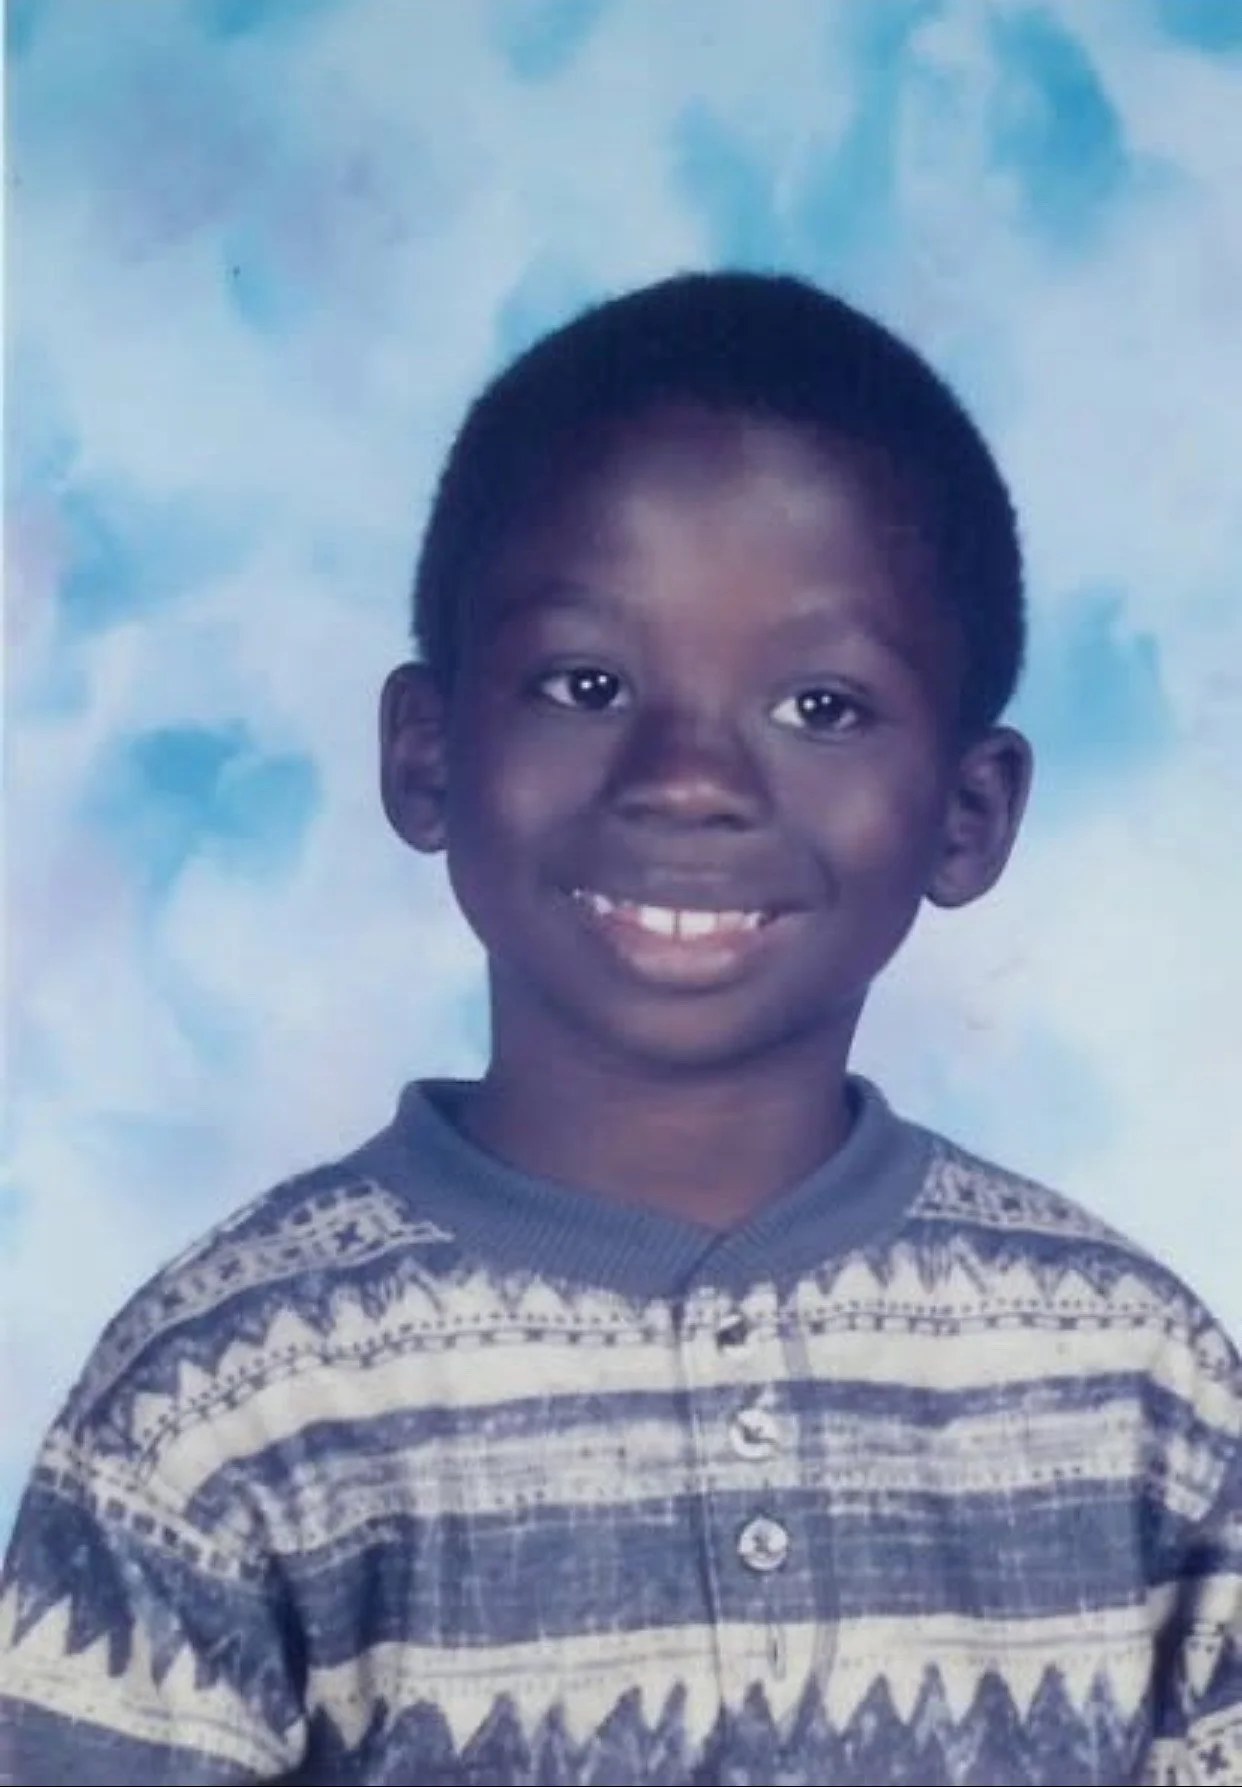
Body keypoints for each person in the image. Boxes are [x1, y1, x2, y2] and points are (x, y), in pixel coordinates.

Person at [1, 272, 1238, 1787]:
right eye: (586, 683)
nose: (686, 777)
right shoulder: (224, 1405)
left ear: (967, 814)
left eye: (822, 705)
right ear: (427, 752)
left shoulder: (1135, 1383)